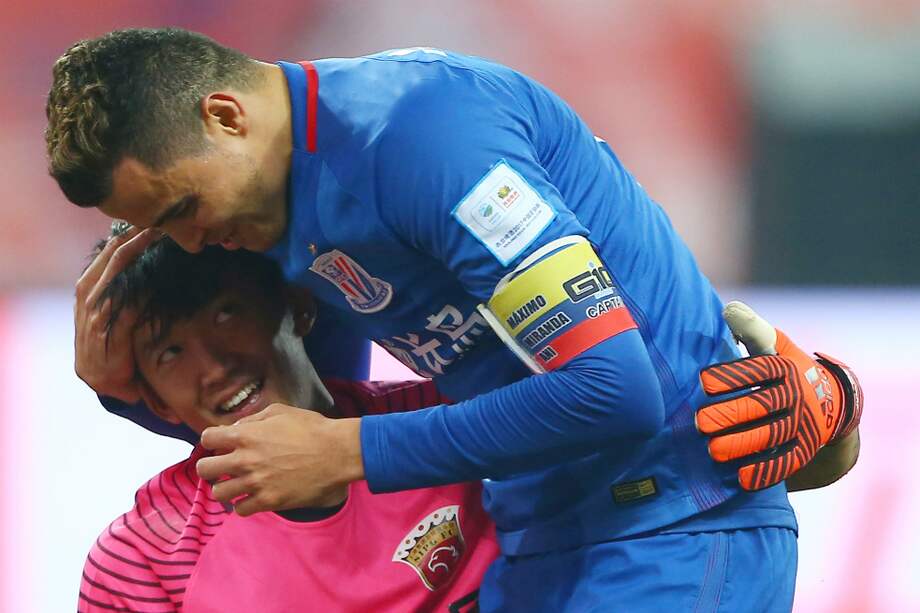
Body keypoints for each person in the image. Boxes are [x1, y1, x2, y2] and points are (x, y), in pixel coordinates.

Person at [48, 29, 863, 611]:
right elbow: (325, 411)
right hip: (537, 542)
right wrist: (125, 394)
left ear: (226, 116)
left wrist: (349, 451)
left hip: (672, 529)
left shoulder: (421, 139)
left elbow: (617, 388)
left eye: (185, 207)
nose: (193, 241)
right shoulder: (281, 202)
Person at [79, 230, 499, 612]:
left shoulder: (453, 411)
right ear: (155, 403)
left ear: (298, 308)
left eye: (226, 315)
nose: (214, 367)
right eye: (170, 352)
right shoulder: (141, 559)